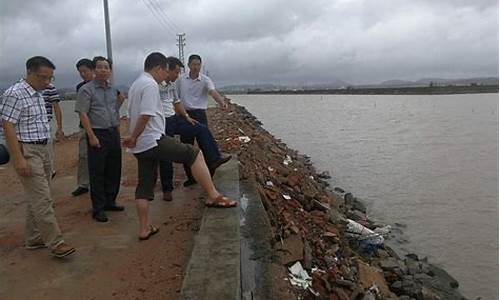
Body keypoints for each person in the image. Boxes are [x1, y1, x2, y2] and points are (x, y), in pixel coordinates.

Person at [123, 52, 237, 241]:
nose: (165, 76)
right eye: (165, 71)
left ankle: (144, 229)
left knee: (144, 186)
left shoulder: (136, 84)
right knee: (194, 153)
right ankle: (213, 195)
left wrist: (134, 137)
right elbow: (145, 114)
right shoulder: (151, 84)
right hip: (152, 139)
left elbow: (131, 114)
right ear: (158, 68)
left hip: (142, 145)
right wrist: (134, 136)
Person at [0, 56, 75, 258]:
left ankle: (34, 238)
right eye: (43, 78)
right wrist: (18, 159)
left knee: (39, 195)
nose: (47, 82)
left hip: (44, 148)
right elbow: (7, 126)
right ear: (30, 73)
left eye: (50, 78)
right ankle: (56, 242)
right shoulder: (15, 94)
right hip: (28, 150)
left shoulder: (39, 93)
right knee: (43, 198)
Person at [158, 56, 231, 201]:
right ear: (167, 70)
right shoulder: (156, 85)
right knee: (170, 153)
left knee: (202, 129)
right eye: (175, 72)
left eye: (198, 64)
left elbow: (177, 101)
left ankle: (214, 160)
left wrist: (186, 117)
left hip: (181, 116)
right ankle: (168, 188)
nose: (177, 75)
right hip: (162, 121)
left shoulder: (180, 83)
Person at [75, 56, 124, 223]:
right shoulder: (86, 90)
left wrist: (118, 131)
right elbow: (83, 113)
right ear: (94, 70)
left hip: (112, 133)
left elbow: (114, 111)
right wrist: (91, 136)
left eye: (106, 67)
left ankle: (111, 201)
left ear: (110, 71)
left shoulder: (112, 90)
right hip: (97, 133)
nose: (103, 70)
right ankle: (98, 208)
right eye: (100, 67)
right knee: (97, 172)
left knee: (114, 169)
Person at [175, 54, 230, 186]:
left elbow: (213, 92)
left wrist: (221, 102)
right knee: (186, 148)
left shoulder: (205, 80)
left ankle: (209, 173)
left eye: (198, 64)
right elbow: (175, 98)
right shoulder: (180, 80)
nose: (196, 67)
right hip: (184, 114)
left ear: (201, 65)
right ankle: (191, 177)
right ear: (188, 65)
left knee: (205, 145)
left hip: (199, 114)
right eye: (193, 64)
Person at [71, 58, 94, 197]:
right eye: (80, 72)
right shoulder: (80, 87)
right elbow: (80, 109)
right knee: (84, 155)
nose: (83, 74)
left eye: (85, 71)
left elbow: (118, 97)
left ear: (92, 70)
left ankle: (100, 183)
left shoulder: (102, 85)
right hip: (84, 127)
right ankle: (83, 184)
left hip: (99, 126)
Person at [41, 83, 64, 179]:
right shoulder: (22, 87)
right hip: (29, 127)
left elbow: (56, 107)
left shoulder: (49, 87)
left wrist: (59, 127)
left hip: (45, 124)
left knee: (47, 152)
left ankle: (49, 172)